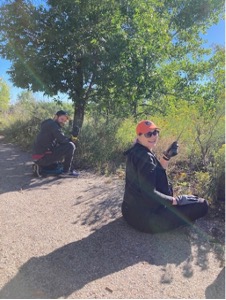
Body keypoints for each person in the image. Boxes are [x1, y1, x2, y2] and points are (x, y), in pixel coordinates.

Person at [121, 120, 208, 233]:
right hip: (146, 221)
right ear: (139, 135)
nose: (154, 136)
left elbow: (155, 172)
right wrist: (176, 200)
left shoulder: (135, 151)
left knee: (176, 193)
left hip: (129, 212)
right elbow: (149, 194)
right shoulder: (146, 157)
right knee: (202, 205)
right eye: (149, 134)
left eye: (156, 132)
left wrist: (167, 156)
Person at [32, 110, 79, 178]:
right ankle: (66, 172)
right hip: (43, 157)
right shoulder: (53, 125)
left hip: (38, 157)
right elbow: (64, 141)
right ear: (56, 117)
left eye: (64, 121)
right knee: (71, 146)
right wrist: (73, 138)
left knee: (57, 164)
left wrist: (72, 138)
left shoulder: (48, 124)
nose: (63, 122)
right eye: (62, 119)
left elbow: (61, 141)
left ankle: (40, 167)